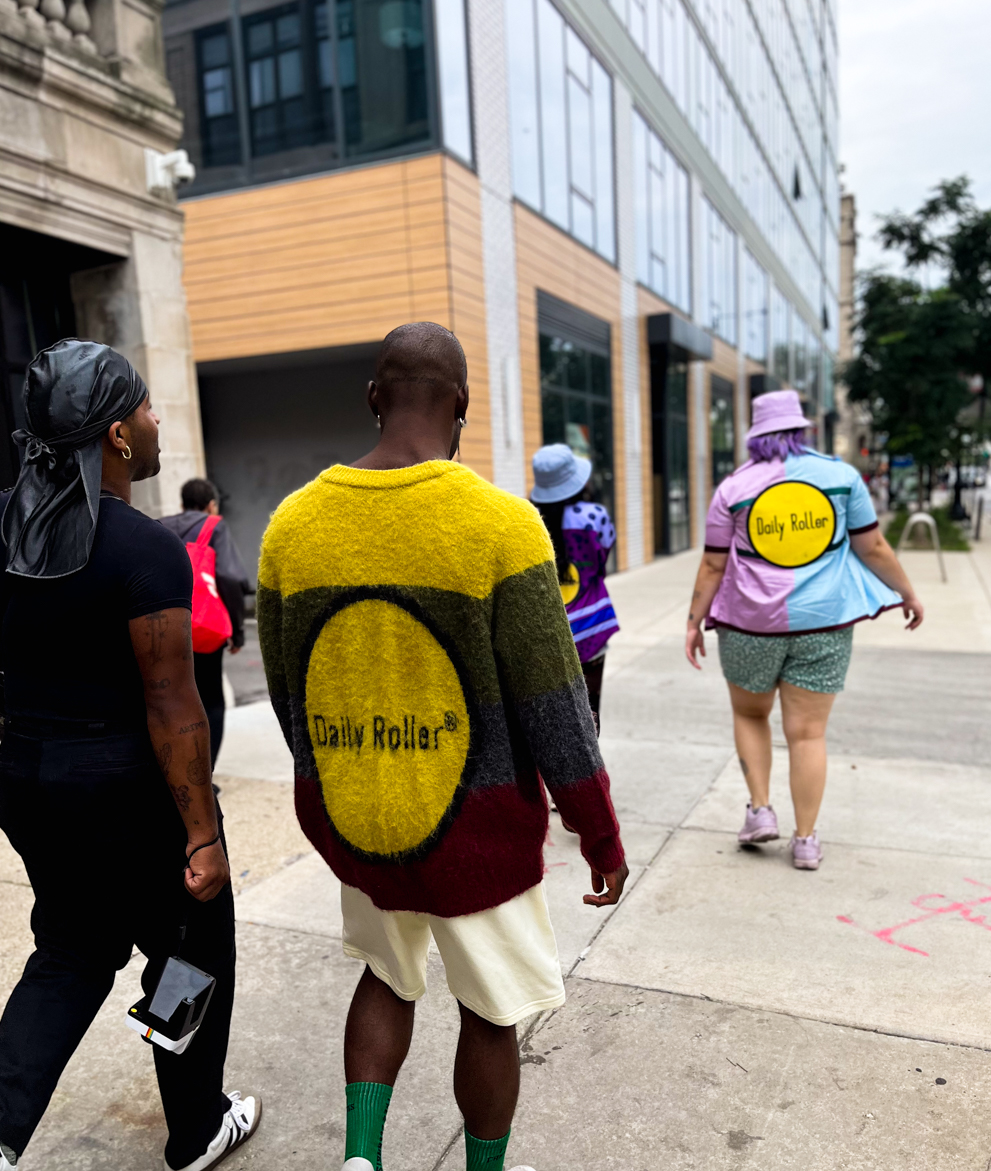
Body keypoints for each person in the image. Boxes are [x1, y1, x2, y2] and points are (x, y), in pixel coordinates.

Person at [257, 322, 628, 1171]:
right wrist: (597, 832)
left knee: (385, 976)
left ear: (373, 397)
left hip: (361, 819)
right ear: (461, 407)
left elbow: (290, 696)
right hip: (478, 829)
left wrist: (338, 780)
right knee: (490, 1009)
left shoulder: (292, 526)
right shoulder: (502, 525)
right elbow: (556, 708)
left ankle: (361, 1159)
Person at [0, 340, 259, 1171]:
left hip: (30, 782)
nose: (154, 421)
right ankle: (195, 1128)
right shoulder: (143, 548)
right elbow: (172, 704)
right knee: (192, 950)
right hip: (127, 798)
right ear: (114, 434)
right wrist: (203, 834)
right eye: (145, 408)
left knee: (72, 949)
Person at [685, 389, 924, 870]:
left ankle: (759, 811)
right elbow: (872, 546)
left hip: (749, 624)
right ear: (801, 429)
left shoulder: (734, 487)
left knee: (751, 715)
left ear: (756, 434)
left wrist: (694, 622)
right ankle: (807, 840)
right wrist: (908, 593)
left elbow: (713, 564)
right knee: (808, 734)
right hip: (825, 622)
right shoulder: (840, 477)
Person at [530, 444, 619, 735]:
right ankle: (589, 774)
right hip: (592, 627)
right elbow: (602, 557)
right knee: (590, 714)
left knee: (550, 721)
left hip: (547, 634)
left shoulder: (528, 519)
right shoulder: (594, 516)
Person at [160, 479, 251, 767]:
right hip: (203, 628)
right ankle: (204, 774)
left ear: (181, 502)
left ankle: (174, 767)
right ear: (211, 504)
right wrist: (236, 631)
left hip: (162, 627)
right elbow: (230, 577)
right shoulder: (214, 526)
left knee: (171, 699)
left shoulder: (159, 525)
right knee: (210, 699)